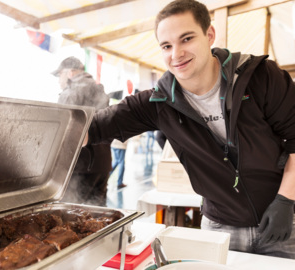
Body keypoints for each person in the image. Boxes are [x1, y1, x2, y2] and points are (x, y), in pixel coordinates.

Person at [84, 0, 295, 259]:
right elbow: (93, 127)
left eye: (186, 39)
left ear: (209, 35)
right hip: (219, 226)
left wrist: (286, 200)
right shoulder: (157, 103)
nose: (176, 54)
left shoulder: (261, 76)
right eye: (167, 46)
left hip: (285, 221)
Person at [52, 56, 112, 206]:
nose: (59, 81)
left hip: (80, 166)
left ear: (70, 73)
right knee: (98, 213)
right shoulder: (100, 89)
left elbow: (62, 131)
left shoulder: (71, 92)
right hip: (103, 163)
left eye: (60, 75)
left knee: (75, 214)